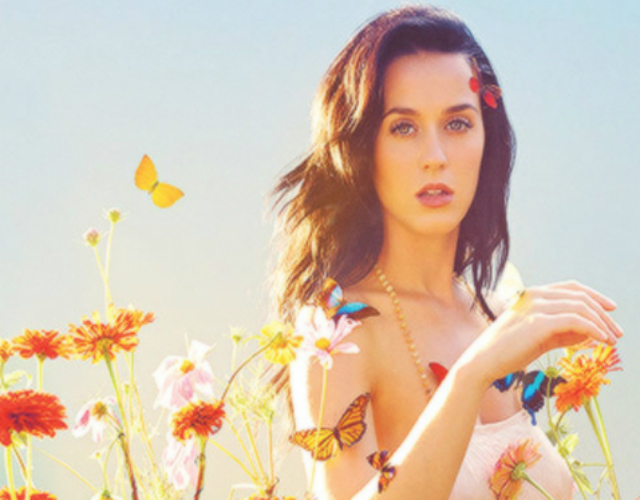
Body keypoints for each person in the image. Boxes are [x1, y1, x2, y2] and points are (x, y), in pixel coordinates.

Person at [271, 5, 622, 499]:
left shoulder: (498, 312)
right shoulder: (335, 333)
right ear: (361, 149)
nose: (435, 157)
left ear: (487, 138)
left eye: (457, 124)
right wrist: (470, 376)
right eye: (403, 127)